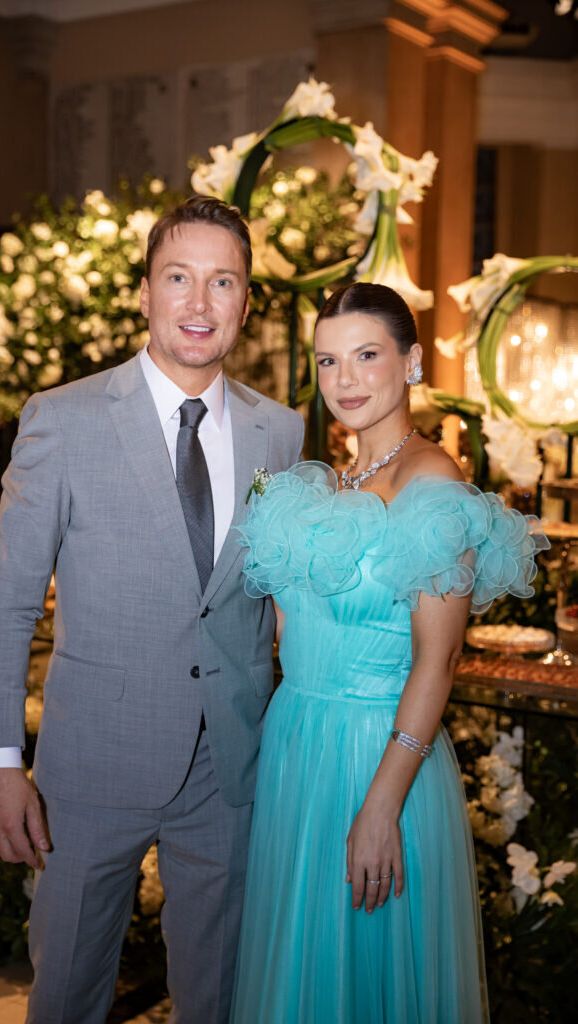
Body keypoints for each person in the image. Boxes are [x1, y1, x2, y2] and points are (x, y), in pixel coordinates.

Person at [0, 196, 304, 1024]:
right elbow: (6, 602)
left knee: (217, 999)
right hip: (93, 763)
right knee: (68, 993)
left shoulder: (280, 433)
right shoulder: (63, 419)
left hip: (230, 768)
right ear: (144, 292)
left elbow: (273, 594)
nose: (200, 302)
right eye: (178, 278)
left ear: (245, 303)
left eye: (222, 281)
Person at [229, 282, 549, 1024]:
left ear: (411, 362)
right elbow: (292, 627)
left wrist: (381, 805)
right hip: (296, 748)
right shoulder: (325, 483)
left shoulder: (433, 484)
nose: (344, 379)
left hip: (375, 757)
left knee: (362, 980)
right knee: (299, 972)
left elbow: (439, 661)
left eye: (366, 356)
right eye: (328, 361)